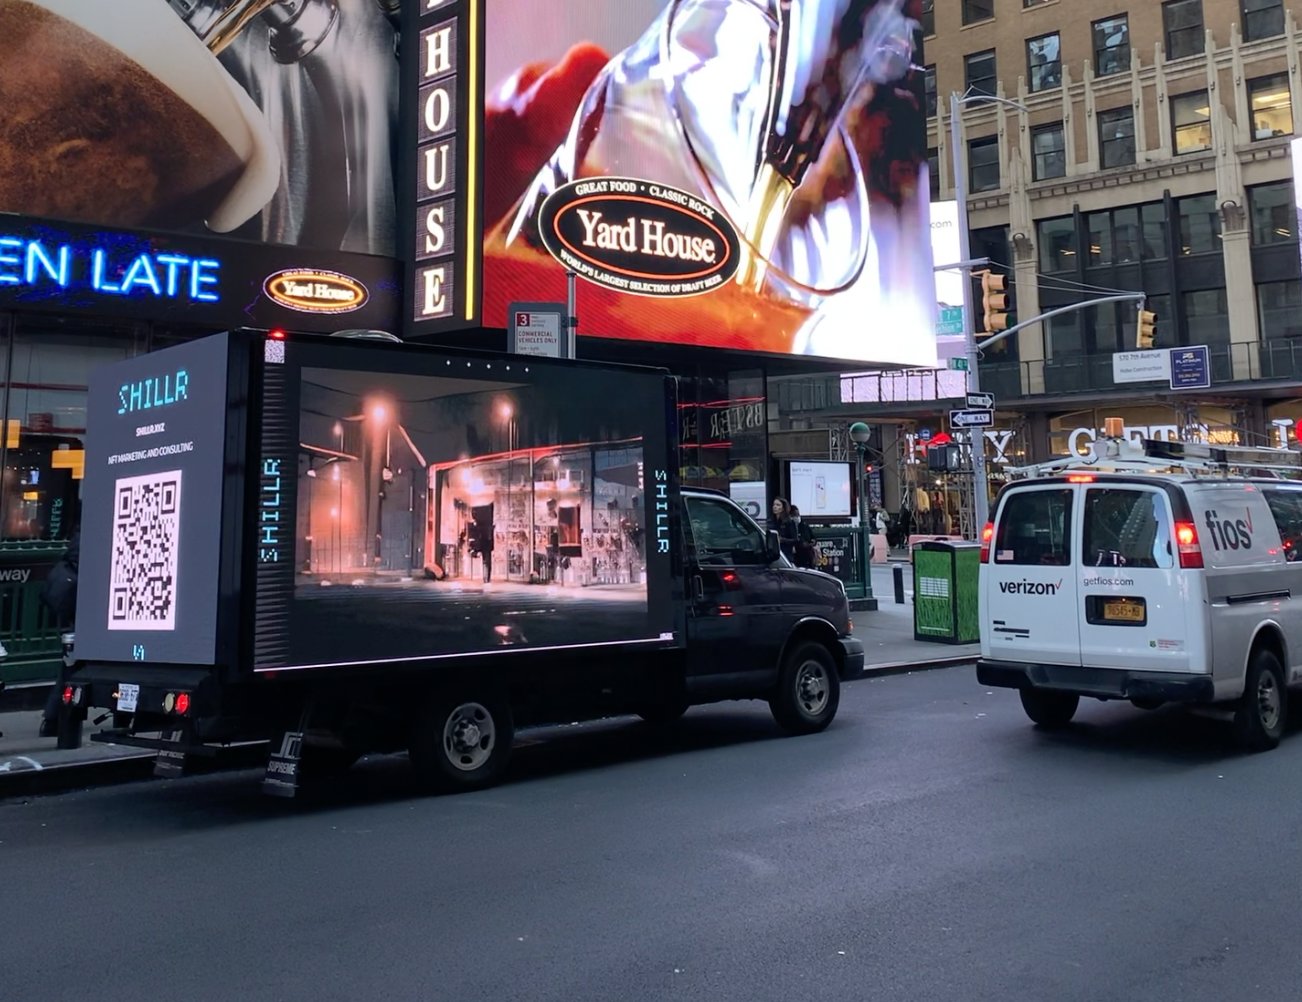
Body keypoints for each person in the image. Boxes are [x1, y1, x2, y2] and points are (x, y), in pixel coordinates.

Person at [38, 525, 80, 738]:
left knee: (68, 669)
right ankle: (56, 721)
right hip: (78, 621)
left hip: (68, 620)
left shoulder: (72, 551)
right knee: (70, 672)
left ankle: (54, 721)